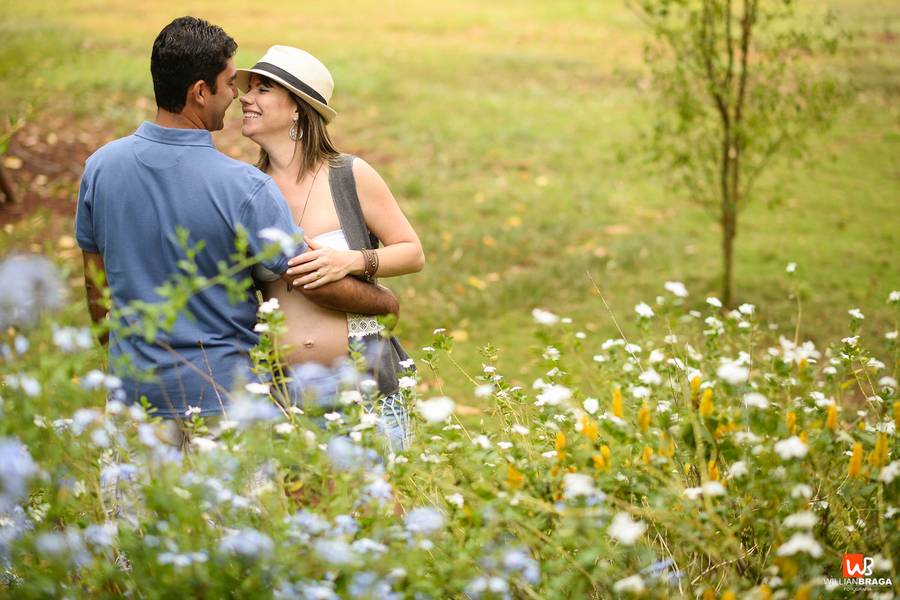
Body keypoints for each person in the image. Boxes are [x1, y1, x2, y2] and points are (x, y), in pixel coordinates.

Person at [74, 17, 398, 448]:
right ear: (200, 92)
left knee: (141, 515)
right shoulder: (243, 187)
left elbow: (96, 287)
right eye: (230, 83)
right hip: (223, 402)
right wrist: (384, 300)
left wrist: (118, 356)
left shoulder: (100, 167)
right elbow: (308, 279)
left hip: (136, 400)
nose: (235, 95)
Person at [236, 46, 425, 450]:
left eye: (262, 88)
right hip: (287, 401)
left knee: (382, 510)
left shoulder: (349, 175)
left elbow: (412, 251)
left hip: (367, 390)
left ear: (298, 109)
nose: (245, 97)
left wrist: (352, 261)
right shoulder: (247, 189)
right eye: (248, 88)